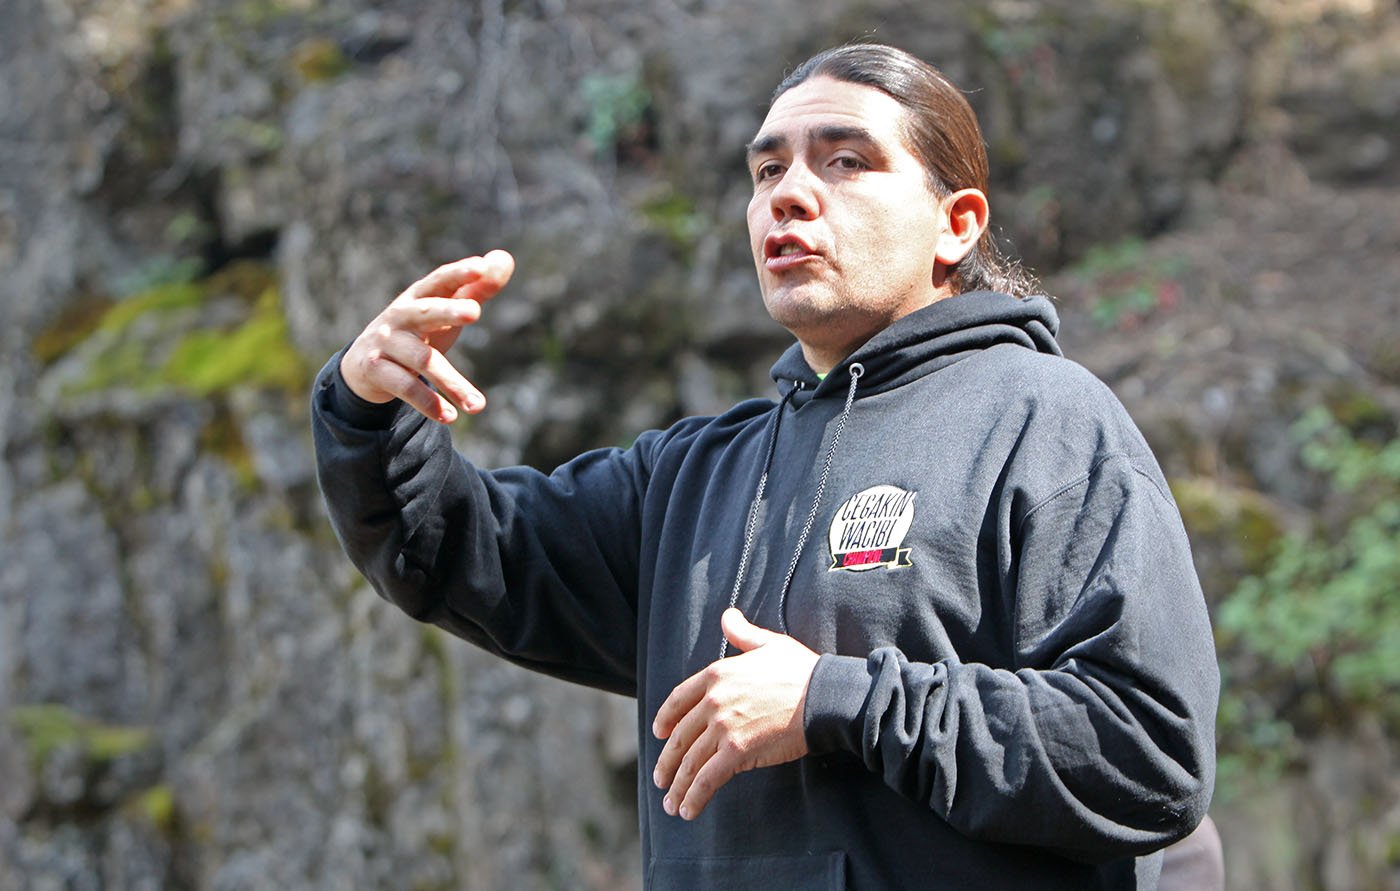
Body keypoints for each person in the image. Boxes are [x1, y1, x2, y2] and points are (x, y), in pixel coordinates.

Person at [312, 43, 1218, 890]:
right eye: (767, 168)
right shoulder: (693, 475)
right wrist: (370, 410)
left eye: (845, 160)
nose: (788, 194)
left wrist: (834, 699)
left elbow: (1147, 751)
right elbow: (456, 550)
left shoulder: (1046, 422)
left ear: (957, 223)